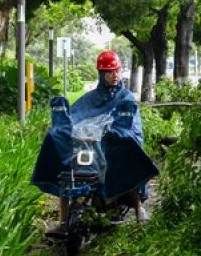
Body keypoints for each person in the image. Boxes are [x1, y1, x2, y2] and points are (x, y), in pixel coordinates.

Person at [46, 50, 152, 233]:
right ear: (101, 74)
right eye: (109, 72)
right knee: (66, 173)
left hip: (112, 145)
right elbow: (77, 115)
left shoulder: (126, 97)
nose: (115, 75)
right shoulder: (90, 98)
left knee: (128, 159)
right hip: (91, 147)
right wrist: (65, 128)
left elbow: (132, 124)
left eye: (117, 71)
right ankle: (63, 221)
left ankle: (138, 207)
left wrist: (118, 131)